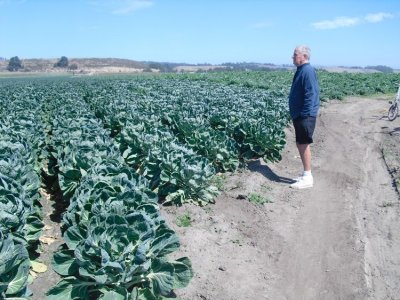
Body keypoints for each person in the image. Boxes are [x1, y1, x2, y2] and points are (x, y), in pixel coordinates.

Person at [288, 45, 320, 189]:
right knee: (301, 143)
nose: (293, 57)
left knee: (303, 143)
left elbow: (311, 94)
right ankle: (305, 174)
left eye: (295, 55)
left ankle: (308, 177)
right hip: (301, 114)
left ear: (304, 56)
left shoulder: (307, 71)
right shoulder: (302, 70)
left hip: (304, 115)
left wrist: (304, 114)